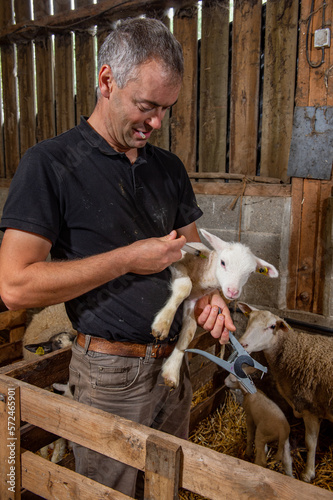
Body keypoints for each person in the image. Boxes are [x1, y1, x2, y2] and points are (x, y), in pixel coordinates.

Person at [0, 17, 235, 498]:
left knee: (170, 490)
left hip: (174, 367)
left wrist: (212, 299)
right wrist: (129, 258)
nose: (156, 123)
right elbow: (15, 285)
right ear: (107, 81)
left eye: (166, 109)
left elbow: (194, 264)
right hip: (109, 378)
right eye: (147, 106)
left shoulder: (167, 169)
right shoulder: (49, 165)